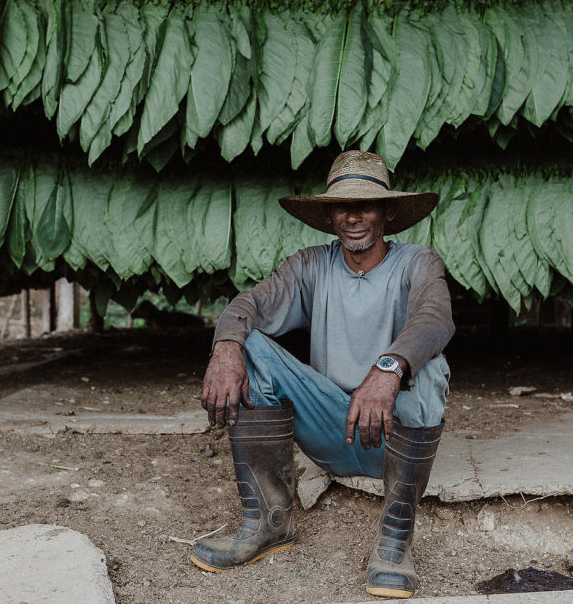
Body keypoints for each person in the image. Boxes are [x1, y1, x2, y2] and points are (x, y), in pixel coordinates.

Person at [192, 150, 455, 599]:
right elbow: (248, 305)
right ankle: (269, 522)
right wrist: (225, 348)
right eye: (341, 206)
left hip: (392, 438)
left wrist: (387, 369)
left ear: (388, 211)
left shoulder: (418, 262)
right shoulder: (311, 264)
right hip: (329, 430)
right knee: (247, 343)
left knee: (431, 366)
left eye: (366, 205)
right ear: (330, 215)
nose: (353, 217)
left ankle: (393, 543)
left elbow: (435, 318)